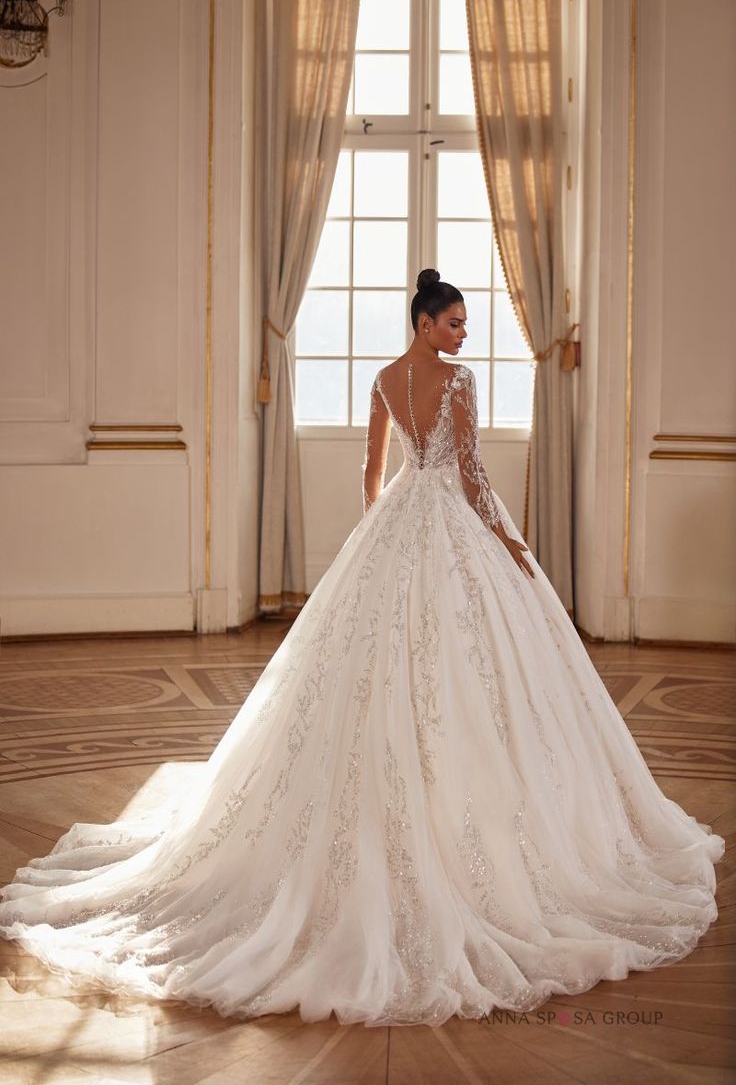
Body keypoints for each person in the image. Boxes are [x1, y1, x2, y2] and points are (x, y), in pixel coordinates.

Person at [0, 269, 724, 1028]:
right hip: (447, 518)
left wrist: (383, 539)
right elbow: (473, 476)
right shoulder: (458, 385)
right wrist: (507, 542)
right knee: (475, 679)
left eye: (463, 327)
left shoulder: (383, 380)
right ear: (425, 324)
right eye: (453, 324)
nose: (462, 335)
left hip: (401, 520)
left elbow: (371, 476)